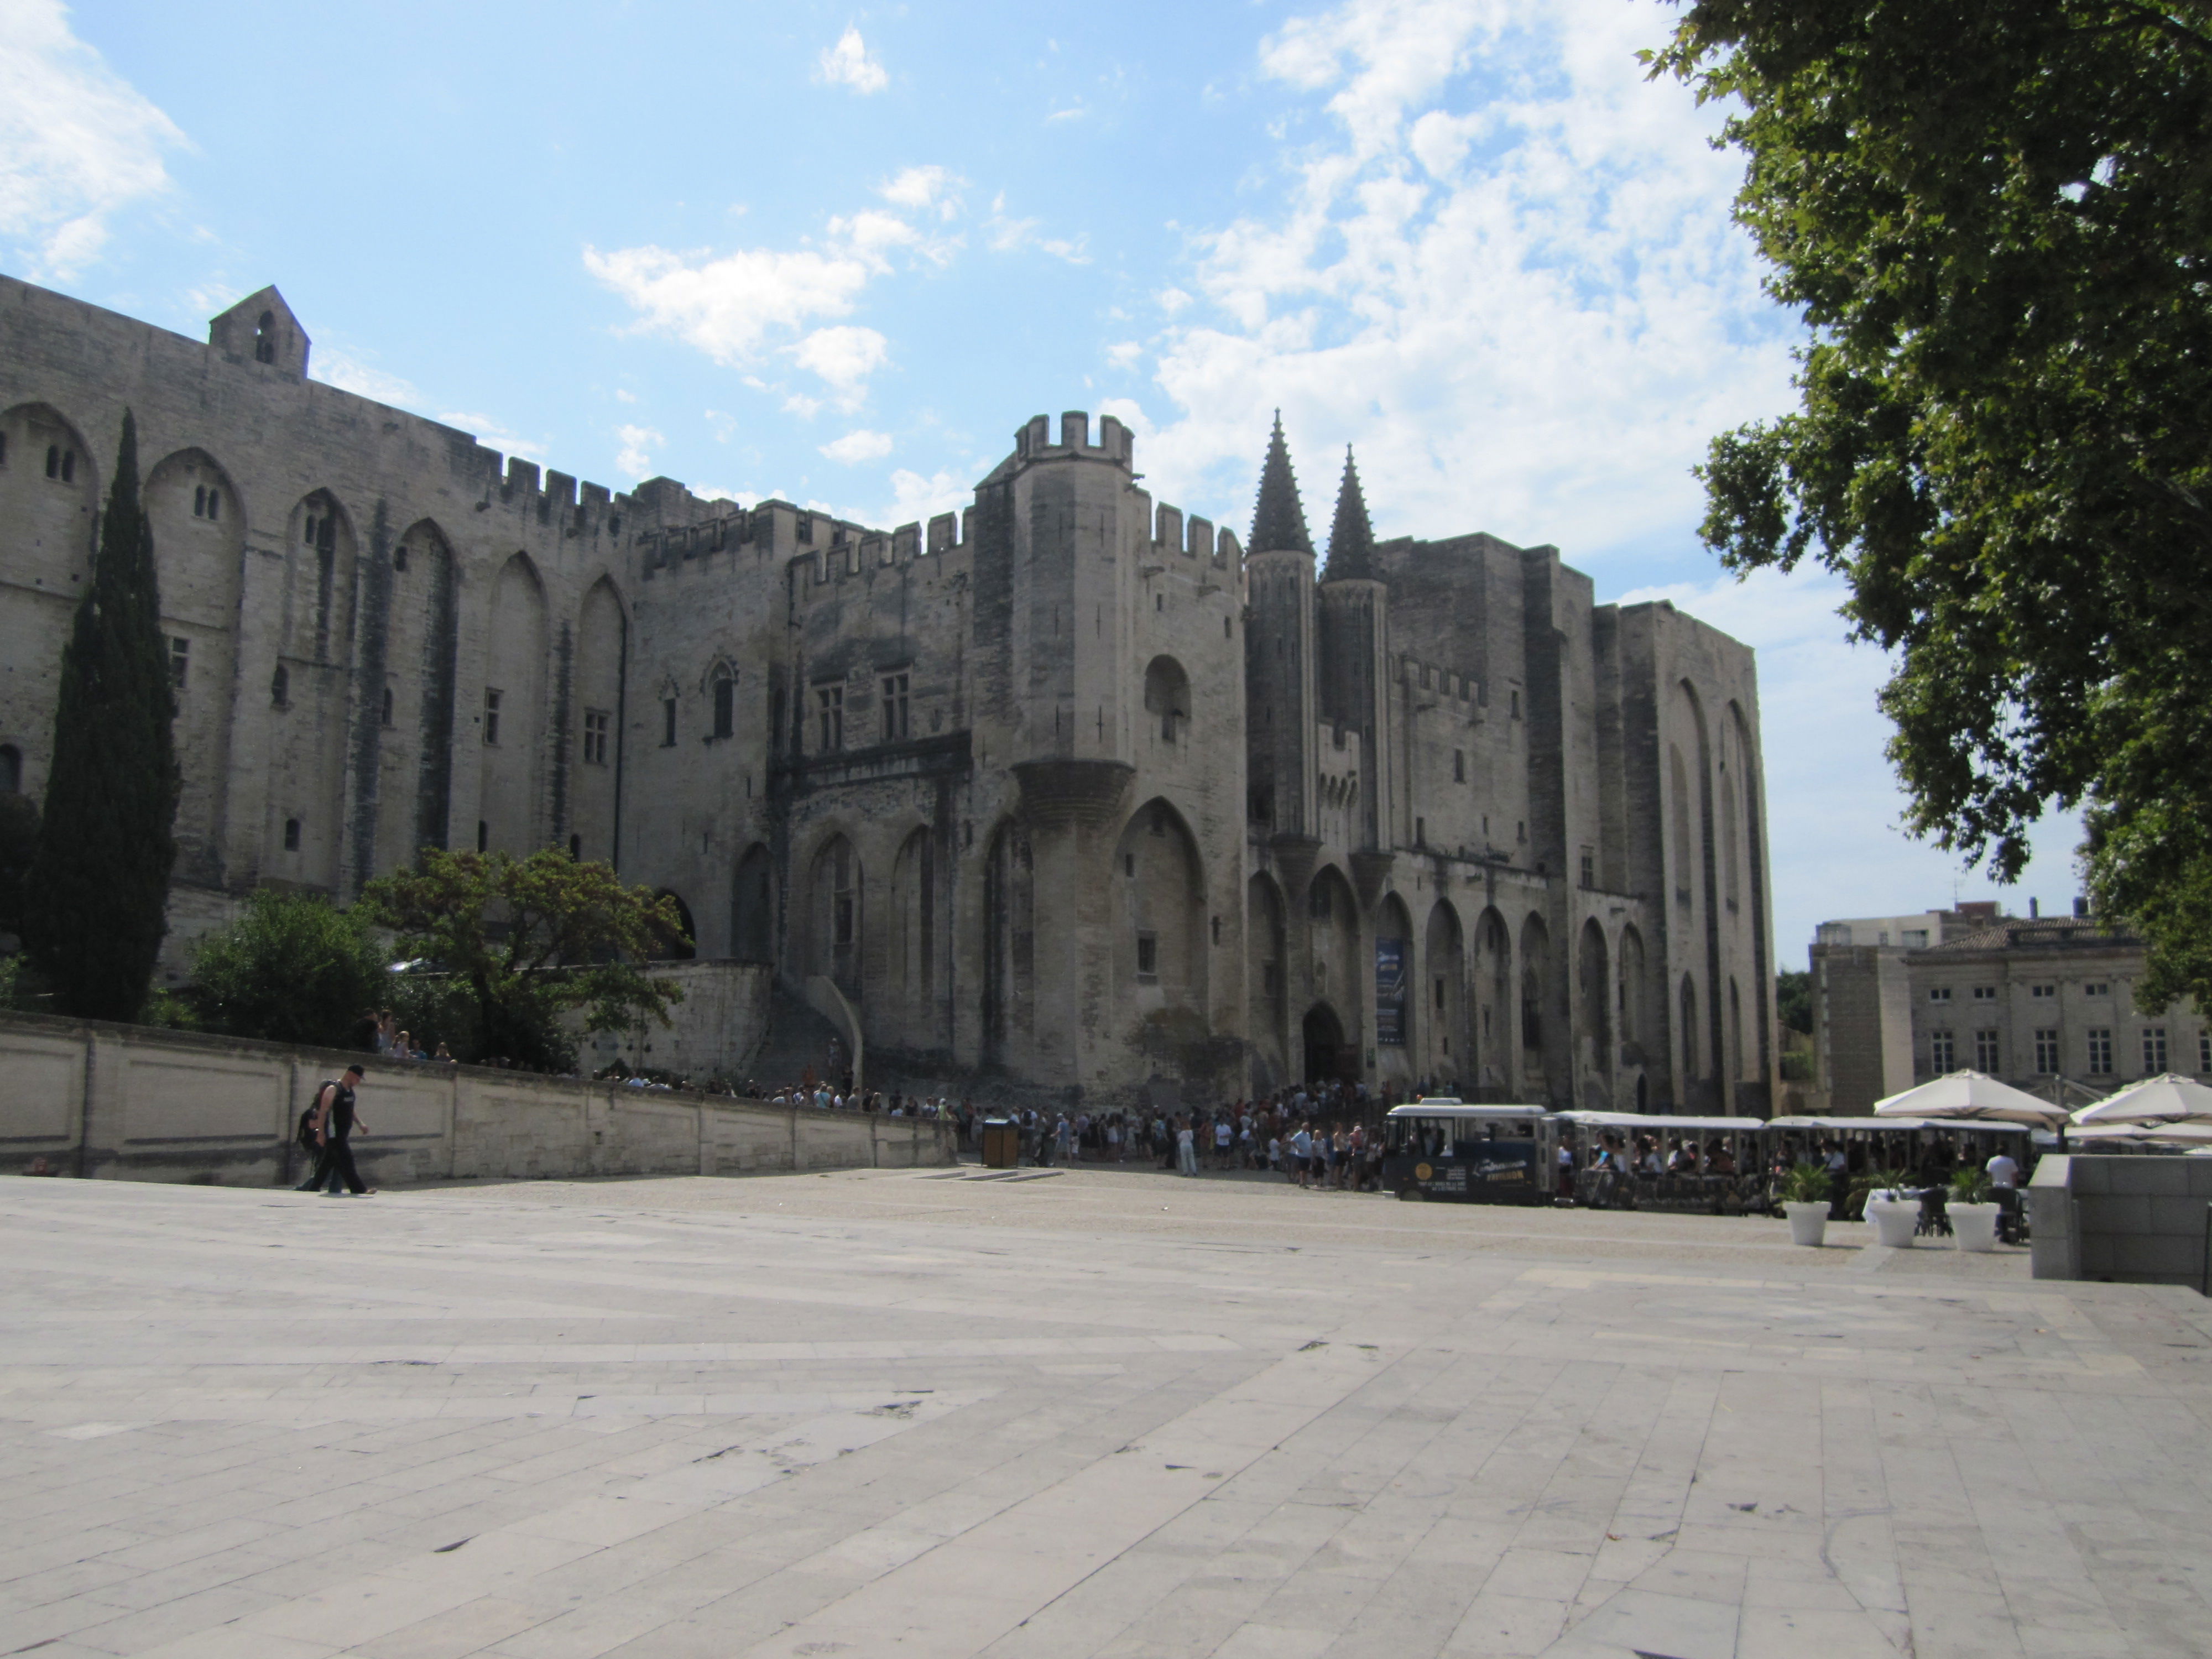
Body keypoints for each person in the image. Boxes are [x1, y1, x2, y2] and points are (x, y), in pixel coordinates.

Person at [298, 1066, 371, 1197]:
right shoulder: (333, 1089)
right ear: (350, 1074)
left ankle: (312, 1188)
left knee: (327, 1164)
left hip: (343, 1133)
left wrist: (361, 1124)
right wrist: (321, 1134)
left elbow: (350, 1110)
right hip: (334, 1133)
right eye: (358, 1078)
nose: (359, 1081)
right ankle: (360, 1189)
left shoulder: (350, 1092)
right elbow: (323, 1112)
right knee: (348, 1159)